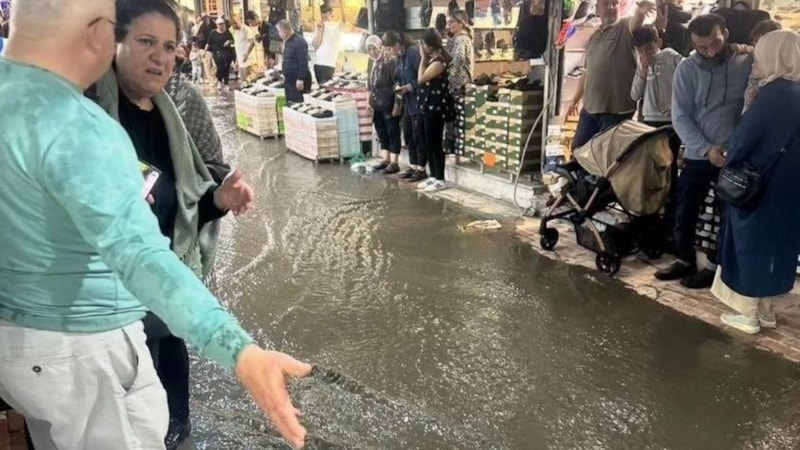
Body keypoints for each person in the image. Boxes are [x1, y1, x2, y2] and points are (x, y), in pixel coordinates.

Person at [0, 1, 311, 450]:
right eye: (145, 41)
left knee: (161, 402)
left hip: (90, 321)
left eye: (169, 46)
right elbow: (136, 252)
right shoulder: (83, 122)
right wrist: (241, 352)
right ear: (107, 40)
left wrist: (218, 199)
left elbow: (198, 185)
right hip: (90, 331)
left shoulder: (182, 106)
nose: (160, 56)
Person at [711, 30, 800, 334]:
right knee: (777, 247)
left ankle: (748, 314)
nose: (755, 63)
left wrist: (729, 156)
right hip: (790, 190)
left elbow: (743, 140)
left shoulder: (771, 95)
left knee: (749, 244)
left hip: (761, 186)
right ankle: (766, 311)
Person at [655, 14, 751, 288]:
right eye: (702, 47)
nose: (710, 51)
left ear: (726, 34)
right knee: (685, 208)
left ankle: (714, 268)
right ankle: (684, 258)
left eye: (715, 43)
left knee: (725, 215)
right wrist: (706, 148)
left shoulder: (746, 62)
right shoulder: (687, 69)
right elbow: (680, 116)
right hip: (699, 152)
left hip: (735, 155)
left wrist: (734, 148)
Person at [565, 0, 651, 150]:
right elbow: (587, 71)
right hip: (591, 108)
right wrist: (575, 99)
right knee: (578, 150)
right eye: (606, 3)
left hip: (616, 110)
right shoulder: (594, 37)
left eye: (614, 3)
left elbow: (636, 22)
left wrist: (641, 13)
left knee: (606, 157)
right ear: (597, 9)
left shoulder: (624, 27)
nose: (611, 7)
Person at [385, 30, 427, 183]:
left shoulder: (413, 53)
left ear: (397, 44)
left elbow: (423, 77)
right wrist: (397, 85)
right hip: (407, 103)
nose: (389, 52)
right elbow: (397, 77)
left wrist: (408, 87)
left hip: (418, 101)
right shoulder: (401, 58)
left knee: (418, 136)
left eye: (389, 48)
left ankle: (421, 168)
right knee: (408, 134)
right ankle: (413, 164)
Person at [417, 29, 451, 193]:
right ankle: (432, 175)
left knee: (435, 143)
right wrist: (424, 59)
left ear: (430, 45)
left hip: (435, 107)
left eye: (423, 44)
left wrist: (423, 58)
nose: (422, 47)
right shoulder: (431, 60)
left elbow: (421, 79)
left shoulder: (439, 62)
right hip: (425, 106)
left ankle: (440, 178)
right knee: (426, 142)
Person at [367, 34, 402, 175]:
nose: (372, 52)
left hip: (389, 102)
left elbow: (397, 84)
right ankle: (385, 158)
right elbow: (371, 85)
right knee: (382, 132)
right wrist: (369, 101)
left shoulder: (391, 61)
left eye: (374, 48)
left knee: (392, 131)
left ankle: (394, 162)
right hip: (378, 104)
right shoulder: (373, 63)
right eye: (369, 49)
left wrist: (397, 105)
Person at [444, 9, 474, 155]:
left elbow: (459, 59)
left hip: (458, 84)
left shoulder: (461, 39)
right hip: (459, 83)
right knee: (456, 116)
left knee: (455, 117)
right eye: (448, 22)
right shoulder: (459, 38)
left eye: (452, 22)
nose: (449, 25)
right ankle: (455, 148)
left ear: (461, 23)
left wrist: (450, 76)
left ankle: (456, 149)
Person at [742, 19, 781, 112]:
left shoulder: (780, 63)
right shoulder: (754, 55)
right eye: (756, 42)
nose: (758, 46)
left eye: (762, 42)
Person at [278, 19, 311, 103]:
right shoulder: (287, 42)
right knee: (290, 103)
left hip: (298, 80)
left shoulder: (299, 42)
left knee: (298, 103)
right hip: (289, 80)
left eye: (279, 31)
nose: (278, 34)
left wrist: (300, 78)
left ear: (284, 32)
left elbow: (303, 62)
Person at [312, 4, 341, 85]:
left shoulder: (336, 26)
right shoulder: (321, 26)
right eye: (322, 13)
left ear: (331, 12)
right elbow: (316, 45)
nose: (324, 15)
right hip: (324, 62)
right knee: (325, 89)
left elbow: (316, 45)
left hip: (326, 63)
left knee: (324, 89)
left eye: (325, 12)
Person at [205, 16, 235, 90]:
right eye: (219, 24)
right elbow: (208, 42)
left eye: (222, 24)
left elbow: (232, 40)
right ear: (217, 25)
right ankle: (219, 80)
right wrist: (205, 51)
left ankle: (226, 82)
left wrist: (229, 41)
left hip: (227, 52)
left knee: (226, 67)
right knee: (220, 66)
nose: (221, 26)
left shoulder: (227, 32)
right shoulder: (213, 33)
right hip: (217, 52)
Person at [231, 15, 256, 83]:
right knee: (242, 79)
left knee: (248, 78)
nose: (234, 25)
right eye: (232, 23)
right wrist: (236, 60)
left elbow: (252, 42)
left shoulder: (246, 29)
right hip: (240, 58)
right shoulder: (235, 31)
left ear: (240, 21)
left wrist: (247, 54)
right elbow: (237, 45)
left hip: (247, 58)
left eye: (235, 23)